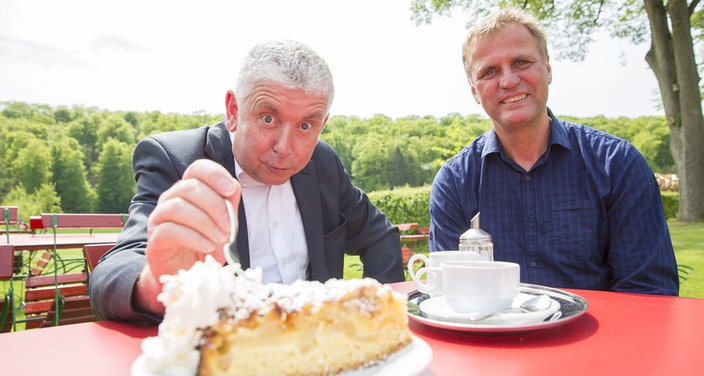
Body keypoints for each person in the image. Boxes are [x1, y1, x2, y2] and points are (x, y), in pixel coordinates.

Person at [89, 40, 405, 323]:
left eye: (306, 125)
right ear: (233, 110)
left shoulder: (323, 163)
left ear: (323, 123)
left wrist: (376, 320)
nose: (285, 147)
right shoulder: (176, 159)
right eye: (269, 118)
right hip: (226, 367)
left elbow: (380, 237)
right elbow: (111, 272)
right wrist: (156, 284)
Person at [429, 8, 679, 295]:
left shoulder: (617, 165)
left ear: (547, 69)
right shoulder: (454, 184)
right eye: (489, 71)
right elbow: (448, 298)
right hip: (494, 340)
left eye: (521, 62)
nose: (508, 81)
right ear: (474, 91)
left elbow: (648, 291)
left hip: (598, 338)